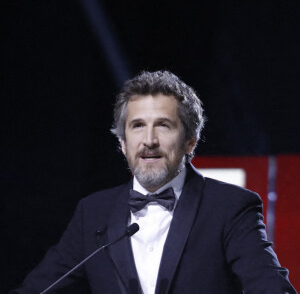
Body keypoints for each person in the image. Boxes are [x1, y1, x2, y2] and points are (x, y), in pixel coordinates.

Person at [11, 70, 297, 294]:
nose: (149, 141)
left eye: (163, 125)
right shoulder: (93, 212)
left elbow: (271, 288)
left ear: (190, 142)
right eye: (137, 126)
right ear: (123, 143)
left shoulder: (230, 207)